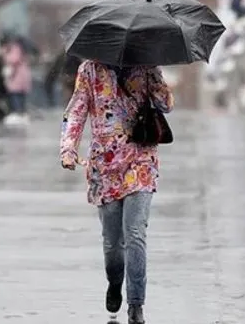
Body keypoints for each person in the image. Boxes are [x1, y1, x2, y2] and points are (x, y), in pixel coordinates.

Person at [59, 59, 174, 324]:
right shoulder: (89, 69)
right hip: (105, 166)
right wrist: (68, 149)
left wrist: (156, 81)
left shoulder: (146, 65)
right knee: (112, 244)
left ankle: (136, 304)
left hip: (140, 161)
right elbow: (77, 110)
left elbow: (166, 105)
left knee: (135, 233)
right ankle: (114, 281)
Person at [1, 39, 32, 125]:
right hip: (19, 79)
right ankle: (21, 113)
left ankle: (18, 114)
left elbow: (12, 60)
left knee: (16, 96)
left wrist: (5, 54)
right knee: (19, 96)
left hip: (17, 79)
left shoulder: (15, 50)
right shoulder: (21, 51)